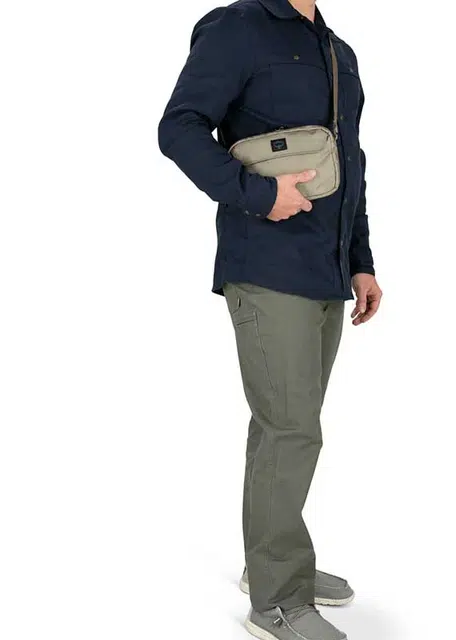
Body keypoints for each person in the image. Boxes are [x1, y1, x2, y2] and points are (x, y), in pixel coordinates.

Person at [158, 0, 382, 638]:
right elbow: (178, 127)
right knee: (291, 429)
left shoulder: (337, 50)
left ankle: (270, 564)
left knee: (284, 427)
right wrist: (259, 194)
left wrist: (361, 262)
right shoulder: (238, 27)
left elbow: (351, 164)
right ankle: (277, 599)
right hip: (267, 263)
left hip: (326, 269)